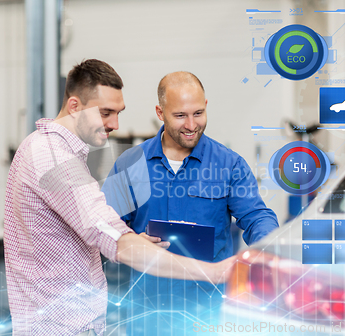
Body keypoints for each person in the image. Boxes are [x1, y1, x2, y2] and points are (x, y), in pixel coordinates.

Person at [3, 61, 235, 336]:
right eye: (105, 113)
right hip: (62, 327)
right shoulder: (53, 158)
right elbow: (114, 238)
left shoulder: (42, 146)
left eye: (117, 113)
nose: (114, 124)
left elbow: (98, 231)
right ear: (75, 106)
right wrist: (216, 272)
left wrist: (130, 239)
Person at [102, 71, 279, 335]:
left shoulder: (229, 165)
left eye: (198, 113)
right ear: (160, 113)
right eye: (180, 116)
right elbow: (105, 227)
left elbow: (257, 216)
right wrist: (131, 238)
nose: (191, 124)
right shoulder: (130, 164)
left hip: (208, 313)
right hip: (147, 313)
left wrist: (265, 250)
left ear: (206, 106)